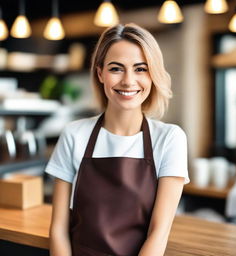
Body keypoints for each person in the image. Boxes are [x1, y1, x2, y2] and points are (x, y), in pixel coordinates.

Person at [45, 23, 189, 256]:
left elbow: (159, 233)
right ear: (100, 73)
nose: (128, 81)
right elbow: (59, 230)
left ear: (153, 75)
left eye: (140, 69)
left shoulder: (170, 139)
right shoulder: (74, 135)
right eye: (116, 69)